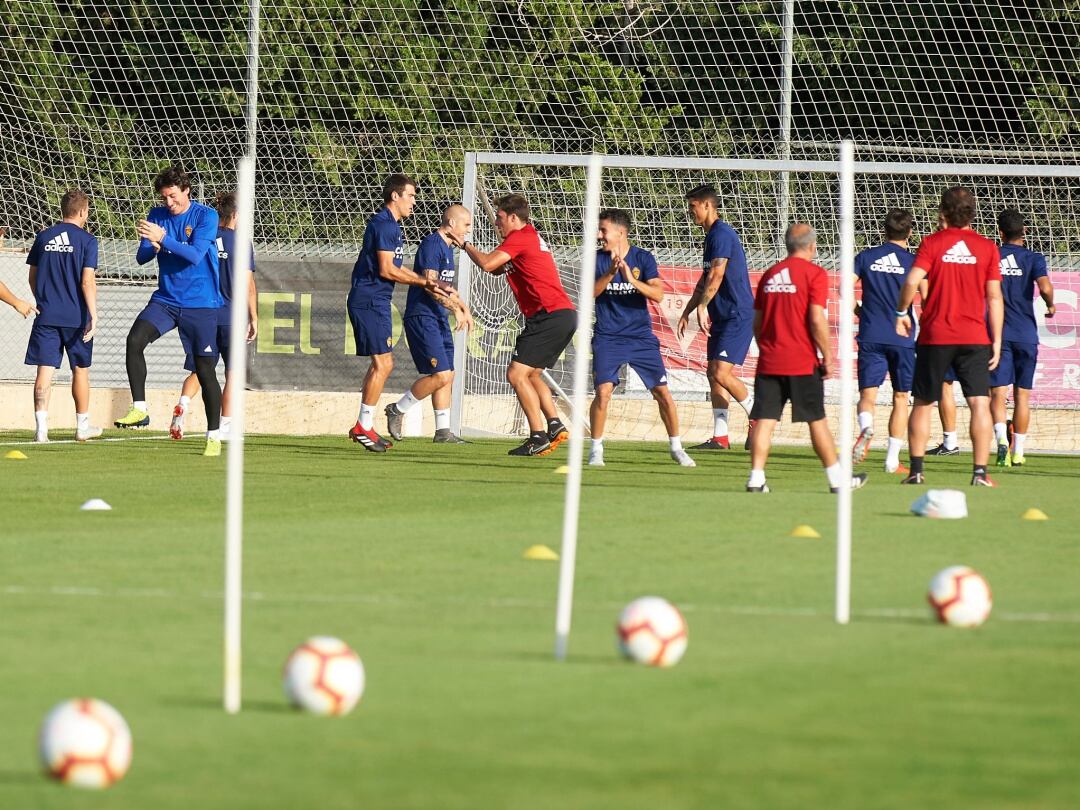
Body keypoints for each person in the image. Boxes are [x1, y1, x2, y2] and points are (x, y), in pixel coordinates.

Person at [746, 223, 868, 493]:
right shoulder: (815, 274)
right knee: (817, 421)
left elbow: (757, 322)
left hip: (770, 361)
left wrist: (767, 346)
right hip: (801, 361)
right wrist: (827, 354)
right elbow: (816, 318)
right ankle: (838, 480)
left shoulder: (770, 275)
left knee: (765, 421)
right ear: (812, 246)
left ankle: (756, 478)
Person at [452, 193, 576, 457]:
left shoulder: (520, 238)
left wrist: (465, 245)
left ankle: (537, 436)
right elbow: (498, 269)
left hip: (549, 314)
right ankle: (554, 425)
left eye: (499, 219)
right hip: (561, 314)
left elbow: (487, 265)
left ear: (513, 217)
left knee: (515, 375)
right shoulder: (527, 236)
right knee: (531, 374)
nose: (497, 223)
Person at [895, 187, 1003, 487]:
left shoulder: (932, 243)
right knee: (980, 403)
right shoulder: (987, 247)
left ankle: (916, 471)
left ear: (943, 211)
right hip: (974, 336)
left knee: (923, 403)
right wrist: (995, 340)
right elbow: (994, 298)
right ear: (973, 212)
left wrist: (902, 312)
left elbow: (912, 281)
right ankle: (980, 473)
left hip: (936, 335)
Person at [116, 165, 225, 457]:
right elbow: (141, 258)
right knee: (134, 340)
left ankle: (213, 435)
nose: (169, 203)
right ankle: (140, 409)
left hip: (201, 304)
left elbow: (194, 255)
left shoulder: (206, 216)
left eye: (173, 196)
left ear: (186, 191)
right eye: (164, 197)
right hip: (166, 300)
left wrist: (163, 239)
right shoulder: (156, 216)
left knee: (204, 371)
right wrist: (151, 246)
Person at [587, 209, 694, 468]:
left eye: (604, 230)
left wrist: (632, 280)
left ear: (620, 233)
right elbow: (590, 293)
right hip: (608, 337)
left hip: (640, 338)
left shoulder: (643, 259)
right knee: (603, 392)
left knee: (662, 393)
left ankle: (676, 447)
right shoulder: (596, 260)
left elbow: (657, 295)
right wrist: (611, 273)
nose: (600, 235)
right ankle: (596, 450)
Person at [346, 174, 445, 453]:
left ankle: (364, 424)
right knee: (384, 364)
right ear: (395, 196)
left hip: (376, 301)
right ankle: (363, 426)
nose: (415, 202)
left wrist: (425, 281)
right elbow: (387, 270)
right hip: (369, 301)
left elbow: (394, 268)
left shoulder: (391, 227)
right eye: (411, 196)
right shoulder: (384, 225)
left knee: (382, 363)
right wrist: (425, 281)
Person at [169, 191, 258, 442]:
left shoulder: (204, 236)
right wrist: (254, 317)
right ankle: (226, 425)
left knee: (201, 369)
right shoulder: (241, 242)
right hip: (231, 316)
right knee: (232, 373)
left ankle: (183, 405)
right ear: (237, 215)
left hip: (202, 313)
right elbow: (248, 284)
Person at [384, 204, 474, 444]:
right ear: (452, 223)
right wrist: (456, 309)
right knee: (441, 375)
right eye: (466, 226)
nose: (467, 231)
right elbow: (431, 285)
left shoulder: (447, 249)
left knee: (449, 374)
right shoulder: (432, 245)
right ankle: (398, 409)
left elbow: (447, 288)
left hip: (438, 318)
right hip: (423, 317)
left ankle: (443, 431)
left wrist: (463, 308)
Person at [677, 185, 755, 451]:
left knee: (721, 371)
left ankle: (758, 413)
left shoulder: (721, 234)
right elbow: (705, 279)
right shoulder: (710, 236)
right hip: (722, 315)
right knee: (714, 374)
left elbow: (717, 275)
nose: (690, 213)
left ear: (707, 205)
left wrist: (703, 306)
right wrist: (689, 309)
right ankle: (720, 436)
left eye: (693, 207)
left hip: (737, 313)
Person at [23, 189, 101, 443]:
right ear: (82, 212)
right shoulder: (88, 241)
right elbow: (87, 282)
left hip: (46, 315)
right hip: (76, 317)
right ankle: (82, 427)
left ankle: (41, 430)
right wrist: (93, 314)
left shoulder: (43, 236)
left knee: (44, 371)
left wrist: (43, 300)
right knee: (80, 370)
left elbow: (32, 277)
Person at [852, 209, 920, 474]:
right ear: (910, 232)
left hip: (871, 334)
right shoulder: (915, 262)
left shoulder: (866, 257)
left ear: (884, 230)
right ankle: (892, 460)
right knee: (901, 397)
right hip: (902, 337)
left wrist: (859, 311)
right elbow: (925, 296)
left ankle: (867, 426)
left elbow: (845, 288)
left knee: (867, 394)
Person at [990, 208, 1055, 467]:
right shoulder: (1034, 258)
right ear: (1024, 232)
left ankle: (1001, 443)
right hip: (1026, 334)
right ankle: (1019, 451)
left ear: (1000, 232)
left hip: (997, 335)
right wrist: (1050, 305)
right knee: (1022, 396)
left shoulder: (991, 255)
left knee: (997, 394)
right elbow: (1046, 287)